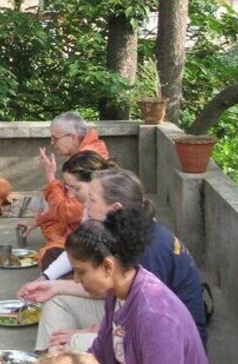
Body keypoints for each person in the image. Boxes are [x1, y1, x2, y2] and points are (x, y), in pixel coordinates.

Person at [18, 169, 207, 354]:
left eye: (91, 201)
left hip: (158, 339)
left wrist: (83, 335)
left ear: (116, 208)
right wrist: (54, 285)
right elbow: (104, 343)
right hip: (130, 324)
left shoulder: (152, 260)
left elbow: (140, 321)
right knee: (59, 319)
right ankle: (49, 357)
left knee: (70, 345)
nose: (85, 207)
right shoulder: (119, 276)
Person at [65, 209, 208, 363]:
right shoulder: (116, 293)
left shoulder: (155, 315)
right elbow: (99, 353)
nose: (76, 279)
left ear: (107, 267)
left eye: (80, 272)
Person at [25, 151, 114, 269]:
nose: (71, 193)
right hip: (90, 254)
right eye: (68, 188)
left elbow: (65, 211)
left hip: (107, 266)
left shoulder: (109, 207)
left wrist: (51, 177)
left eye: (76, 188)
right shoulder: (88, 205)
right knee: (52, 255)